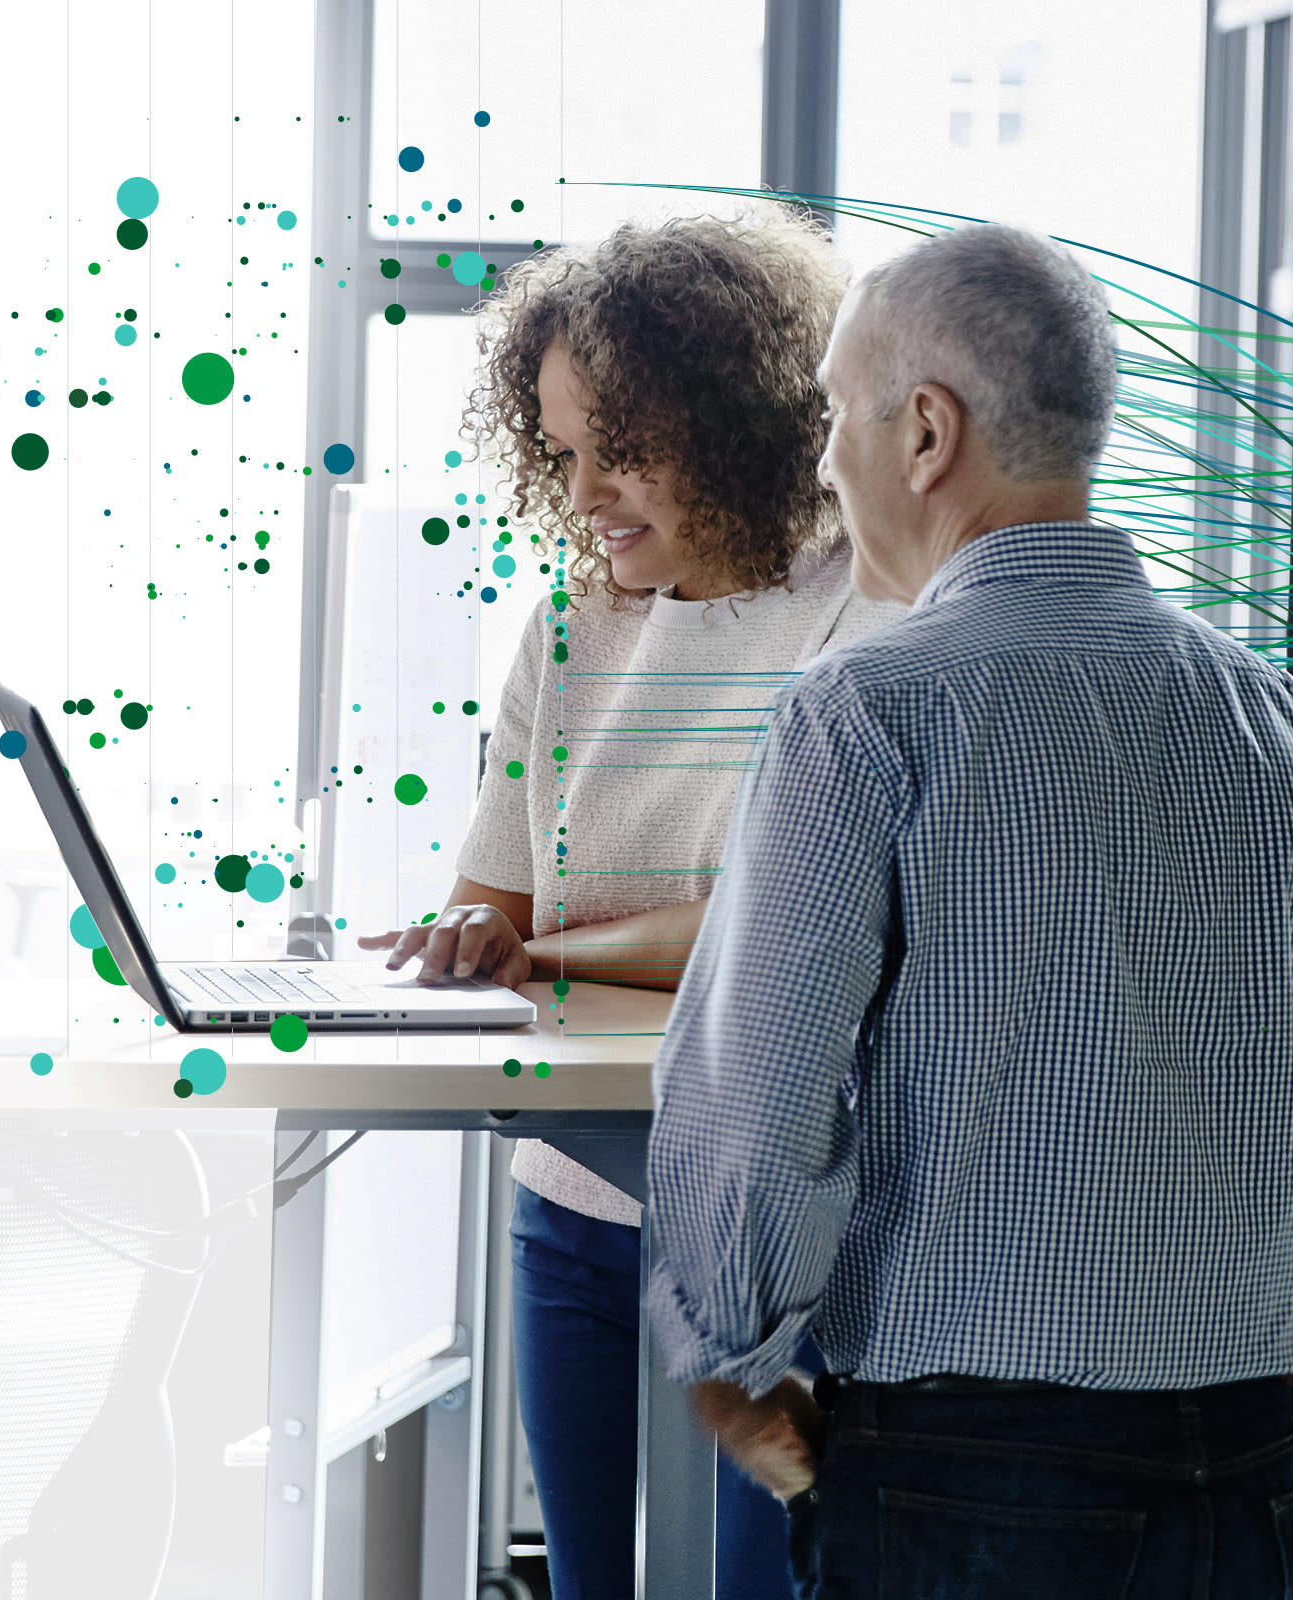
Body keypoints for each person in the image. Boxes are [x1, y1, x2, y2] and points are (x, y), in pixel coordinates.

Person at [641, 222, 1293, 1600]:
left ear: (925, 431)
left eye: (839, 417)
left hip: (957, 1469)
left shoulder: (867, 714)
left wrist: (729, 1358)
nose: (825, 462)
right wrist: (1269, 1347)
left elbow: (760, 1099)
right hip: (1247, 1467)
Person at [356, 209, 908, 1600]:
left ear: (736, 423)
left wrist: (537, 944)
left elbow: (777, 940)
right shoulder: (574, 624)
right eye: (564, 449)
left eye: (626, 450)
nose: (586, 488)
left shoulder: (865, 618)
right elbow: (495, 904)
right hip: (578, 1202)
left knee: (758, 1584)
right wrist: (482, 937)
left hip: (772, 1220)